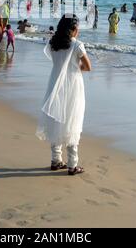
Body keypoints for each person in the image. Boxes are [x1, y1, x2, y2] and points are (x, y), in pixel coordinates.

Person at [36, 14, 91, 176]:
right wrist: (74, 68)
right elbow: (88, 67)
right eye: (77, 27)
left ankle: (56, 160)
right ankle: (72, 165)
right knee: (72, 120)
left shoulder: (53, 43)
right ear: (73, 29)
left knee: (56, 118)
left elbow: (56, 61)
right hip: (73, 85)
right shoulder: (77, 45)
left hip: (55, 83)